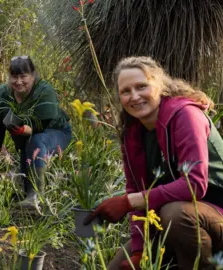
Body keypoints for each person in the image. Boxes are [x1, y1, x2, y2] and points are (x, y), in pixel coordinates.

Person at [84, 56, 223, 269]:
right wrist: (140, 251)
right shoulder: (133, 132)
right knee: (119, 265)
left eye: (142, 87)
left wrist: (128, 202)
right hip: (180, 220)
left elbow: (194, 184)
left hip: (209, 214)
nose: (135, 96)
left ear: (160, 86)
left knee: (175, 214)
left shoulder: (185, 115)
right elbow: (136, 188)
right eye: (126, 91)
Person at [0, 56, 71, 209]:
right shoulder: (3, 93)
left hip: (55, 131)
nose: (18, 81)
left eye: (23, 76)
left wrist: (24, 129)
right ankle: (27, 192)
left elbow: (42, 123)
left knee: (36, 140)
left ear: (32, 75)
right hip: (25, 138)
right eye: (14, 76)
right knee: (25, 177)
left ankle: (36, 196)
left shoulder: (44, 90)